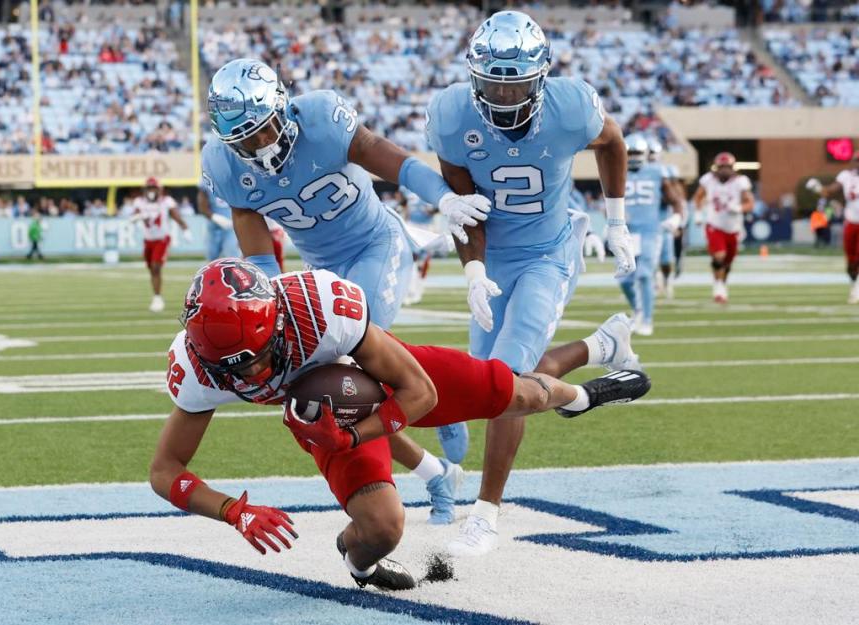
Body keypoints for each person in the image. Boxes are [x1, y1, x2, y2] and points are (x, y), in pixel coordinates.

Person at [149, 258, 651, 591]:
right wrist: (233, 511)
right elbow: (165, 470)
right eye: (231, 368)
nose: (250, 374)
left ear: (278, 322)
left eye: (255, 360)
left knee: (518, 394)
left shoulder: (320, 306)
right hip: (325, 412)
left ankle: (582, 395)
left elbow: (420, 392)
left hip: (373, 378)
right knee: (384, 528)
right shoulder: (195, 367)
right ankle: (357, 560)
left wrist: (353, 435)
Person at [201, 58, 494, 524]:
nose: (257, 147)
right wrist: (267, 294)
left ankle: (430, 400)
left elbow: (385, 154)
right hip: (317, 269)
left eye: (262, 131)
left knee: (357, 362)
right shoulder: (222, 162)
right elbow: (247, 221)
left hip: (374, 245)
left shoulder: (320, 118)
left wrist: (443, 197)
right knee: (340, 389)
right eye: (243, 140)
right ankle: (436, 473)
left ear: (283, 107)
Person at [425, 10, 640, 555]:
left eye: (513, 80)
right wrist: (472, 268)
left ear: (540, 76)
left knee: (505, 383)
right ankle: (601, 348)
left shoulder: (569, 106)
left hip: (549, 251)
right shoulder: (451, 115)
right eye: (491, 79)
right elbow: (464, 206)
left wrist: (617, 221)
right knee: (491, 386)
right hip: (493, 258)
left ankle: (487, 513)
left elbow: (612, 142)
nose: (500, 94)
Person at [617, 135, 685, 336]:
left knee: (645, 274)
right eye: (631, 153)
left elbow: (676, 199)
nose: (634, 157)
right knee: (625, 280)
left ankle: (647, 320)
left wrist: (677, 217)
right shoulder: (617, 170)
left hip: (649, 231)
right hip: (627, 232)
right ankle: (638, 310)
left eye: (637, 153)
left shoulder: (657, 172)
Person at [691, 152, 755, 304]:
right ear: (717, 167)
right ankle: (718, 287)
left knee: (728, 261)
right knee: (719, 255)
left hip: (733, 227)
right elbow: (698, 196)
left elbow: (750, 204)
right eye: (722, 167)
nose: (724, 170)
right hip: (714, 223)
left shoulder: (741, 182)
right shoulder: (708, 180)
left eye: (727, 167)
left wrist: (739, 208)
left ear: (733, 167)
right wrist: (699, 213)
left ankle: (722, 284)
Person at [131, 177, 192, 312]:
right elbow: (133, 217)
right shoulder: (139, 202)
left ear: (159, 190)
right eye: (149, 188)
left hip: (162, 239)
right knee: (152, 269)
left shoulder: (166, 201)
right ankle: (156, 295)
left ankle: (157, 297)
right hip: (148, 240)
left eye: (153, 188)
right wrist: (137, 217)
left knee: (156, 267)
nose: (151, 191)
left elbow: (176, 216)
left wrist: (185, 229)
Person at [806, 151, 859, 303]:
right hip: (850, 221)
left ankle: (857, 290)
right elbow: (828, 191)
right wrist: (817, 188)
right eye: (857, 160)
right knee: (851, 262)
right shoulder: (846, 176)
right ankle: (854, 285)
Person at [646, 136, 685, 298]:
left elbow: (678, 197)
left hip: (663, 220)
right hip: (645, 221)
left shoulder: (666, 171)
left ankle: (667, 279)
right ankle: (654, 281)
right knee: (646, 257)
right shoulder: (635, 171)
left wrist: (678, 221)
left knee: (666, 259)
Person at [197, 185, 240, 261]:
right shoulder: (207, 180)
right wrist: (214, 217)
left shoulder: (234, 178)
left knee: (233, 257)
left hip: (232, 226)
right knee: (211, 256)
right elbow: (202, 206)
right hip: (213, 226)